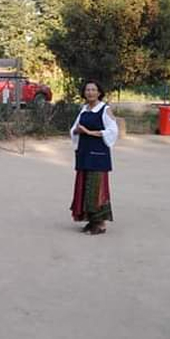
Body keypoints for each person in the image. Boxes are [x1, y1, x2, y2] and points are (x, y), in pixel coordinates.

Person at [69, 80, 118, 235]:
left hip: (98, 155)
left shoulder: (105, 109)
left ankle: (101, 223)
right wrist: (77, 131)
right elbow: (74, 128)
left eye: (93, 90)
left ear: (99, 93)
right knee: (85, 187)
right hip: (84, 154)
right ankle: (91, 221)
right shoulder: (84, 109)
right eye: (87, 90)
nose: (90, 92)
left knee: (97, 187)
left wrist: (90, 133)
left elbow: (113, 131)